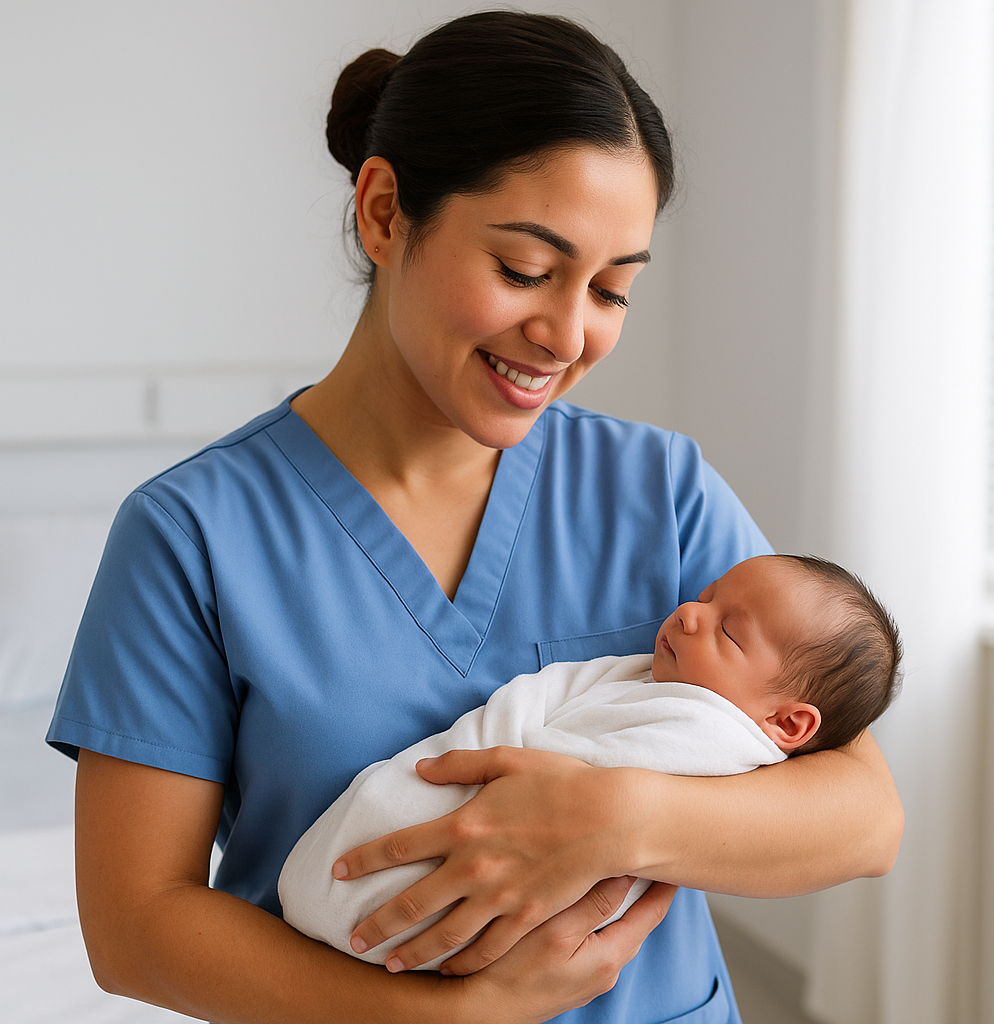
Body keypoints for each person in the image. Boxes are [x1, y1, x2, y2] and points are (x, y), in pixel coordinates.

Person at [46, 12, 903, 1024]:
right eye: (525, 272)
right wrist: (448, 1019)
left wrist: (606, 814)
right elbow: (136, 926)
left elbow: (861, 818)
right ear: (382, 213)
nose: (567, 333)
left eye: (612, 290)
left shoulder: (655, 487)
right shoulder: (192, 536)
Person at [279, 553, 902, 972]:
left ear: (787, 724)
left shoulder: (711, 731)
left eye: (727, 632)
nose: (689, 612)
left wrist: (614, 814)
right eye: (707, 596)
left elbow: (874, 829)